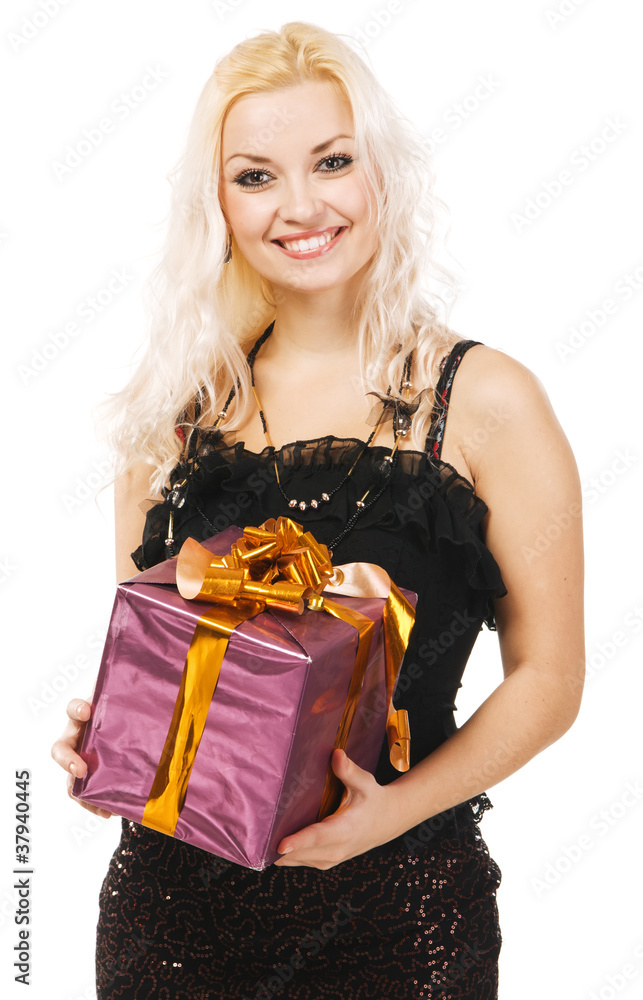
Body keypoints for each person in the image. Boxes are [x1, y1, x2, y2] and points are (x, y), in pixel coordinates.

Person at [51, 20, 585, 1000]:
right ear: (216, 200)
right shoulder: (169, 417)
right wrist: (120, 744)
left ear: (378, 169)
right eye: (256, 175)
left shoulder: (483, 400)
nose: (300, 206)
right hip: (170, 927)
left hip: (400, 921)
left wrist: (389, 813)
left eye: (330, 161)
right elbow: (170, 661)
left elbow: (549, 677)